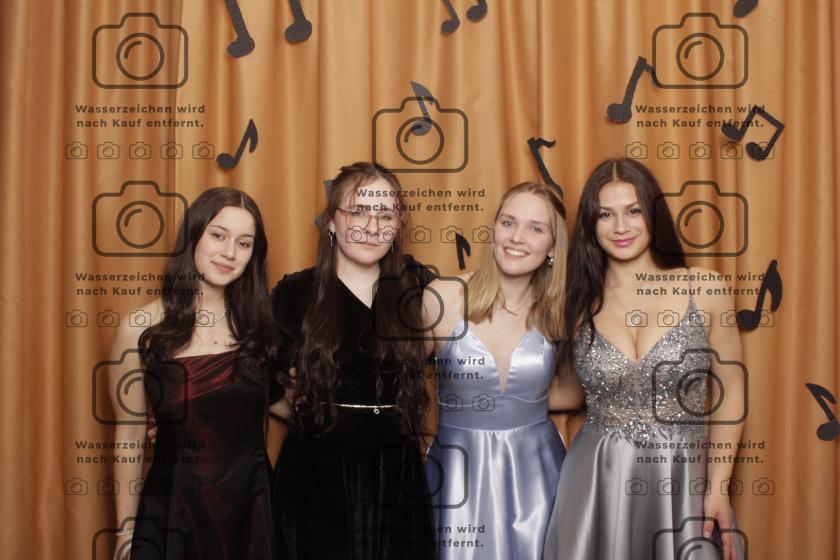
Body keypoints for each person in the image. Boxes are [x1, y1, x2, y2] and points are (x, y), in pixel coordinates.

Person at [542, 158, 745, 560]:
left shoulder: (703, 288)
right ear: (591, 224)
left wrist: (718, 487)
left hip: (683, 476)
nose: (620, 226)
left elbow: (731, 393)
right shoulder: (576, 302)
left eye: (633, 211)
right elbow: (569, 393)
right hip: (597, 478)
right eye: (605, 214)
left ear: (653, 214)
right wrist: (489, 399)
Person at [269, 162, 436, 559]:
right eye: (358, 211)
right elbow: (260, 387)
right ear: (331, 221)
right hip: (317, 473)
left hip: (396, 473)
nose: (372, 226)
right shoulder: (295, 293)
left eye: (385, 215)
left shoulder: (420, 291)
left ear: (398, 225)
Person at [109, 188, 278, 559]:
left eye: (244, 243)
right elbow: (130, 437)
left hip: (252, 510)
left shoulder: (263, 326)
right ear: (194, 236)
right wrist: (126, 531)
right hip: (174, 511)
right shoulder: (140, 328)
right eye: (218, 235)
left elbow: (289, 405)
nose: (229, 253)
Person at [421, 182, 583, 559]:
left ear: (553, 247)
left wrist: (517, 403)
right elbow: (403, 384)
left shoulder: (563, 311)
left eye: (536, 228)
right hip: (458, 470)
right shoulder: (443, 296)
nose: (517, 237)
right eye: (508, 222)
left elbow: (573, 392)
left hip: (537, 472)